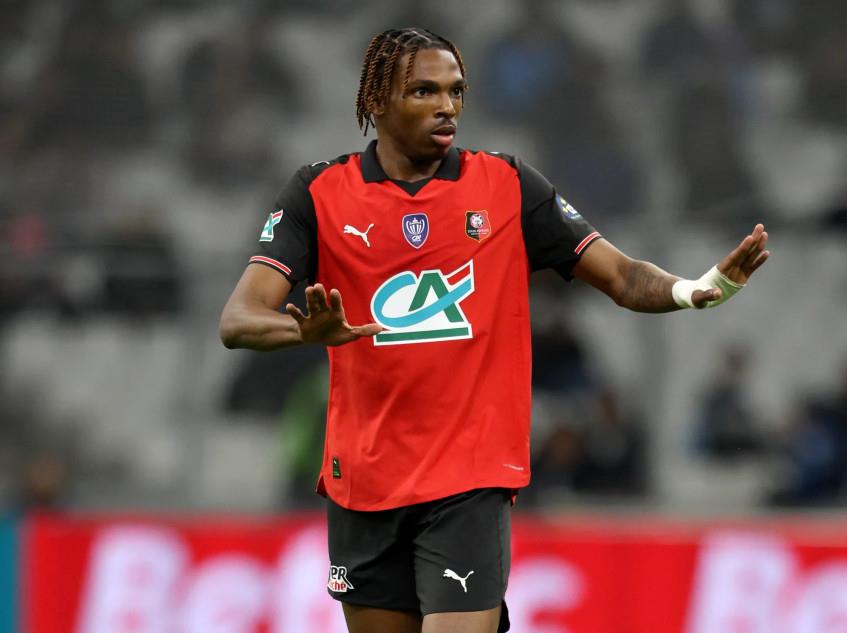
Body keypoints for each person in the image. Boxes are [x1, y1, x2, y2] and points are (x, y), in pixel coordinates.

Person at [219, 27, 770, 633]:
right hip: (364, 482)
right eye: (424, 91)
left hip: (468, 481)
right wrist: (305, 333)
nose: (446, 106)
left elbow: (621, 275)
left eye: (455, 91)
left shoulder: (507, 185)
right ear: (376, 100)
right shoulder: (318, 193)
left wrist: (695, 289)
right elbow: (238, 320)